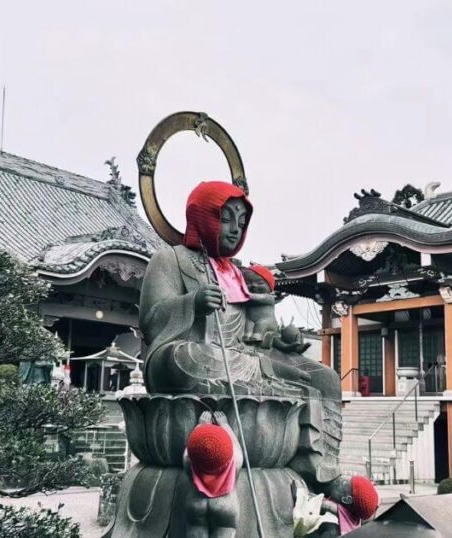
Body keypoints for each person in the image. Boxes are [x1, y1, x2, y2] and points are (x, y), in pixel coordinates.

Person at [138, 181, 342, 484]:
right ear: (202, 216)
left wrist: (282, 338)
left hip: (244, 357)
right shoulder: (171, 259)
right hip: (195, 355)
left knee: (326, 378)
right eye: (225, 218)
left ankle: (319, 468)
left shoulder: (237, 272)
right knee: (184, 358)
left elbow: (256, 332)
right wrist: (191, 303)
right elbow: (151, 320)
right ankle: (267, 374)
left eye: (242, 222)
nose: (235, 228)